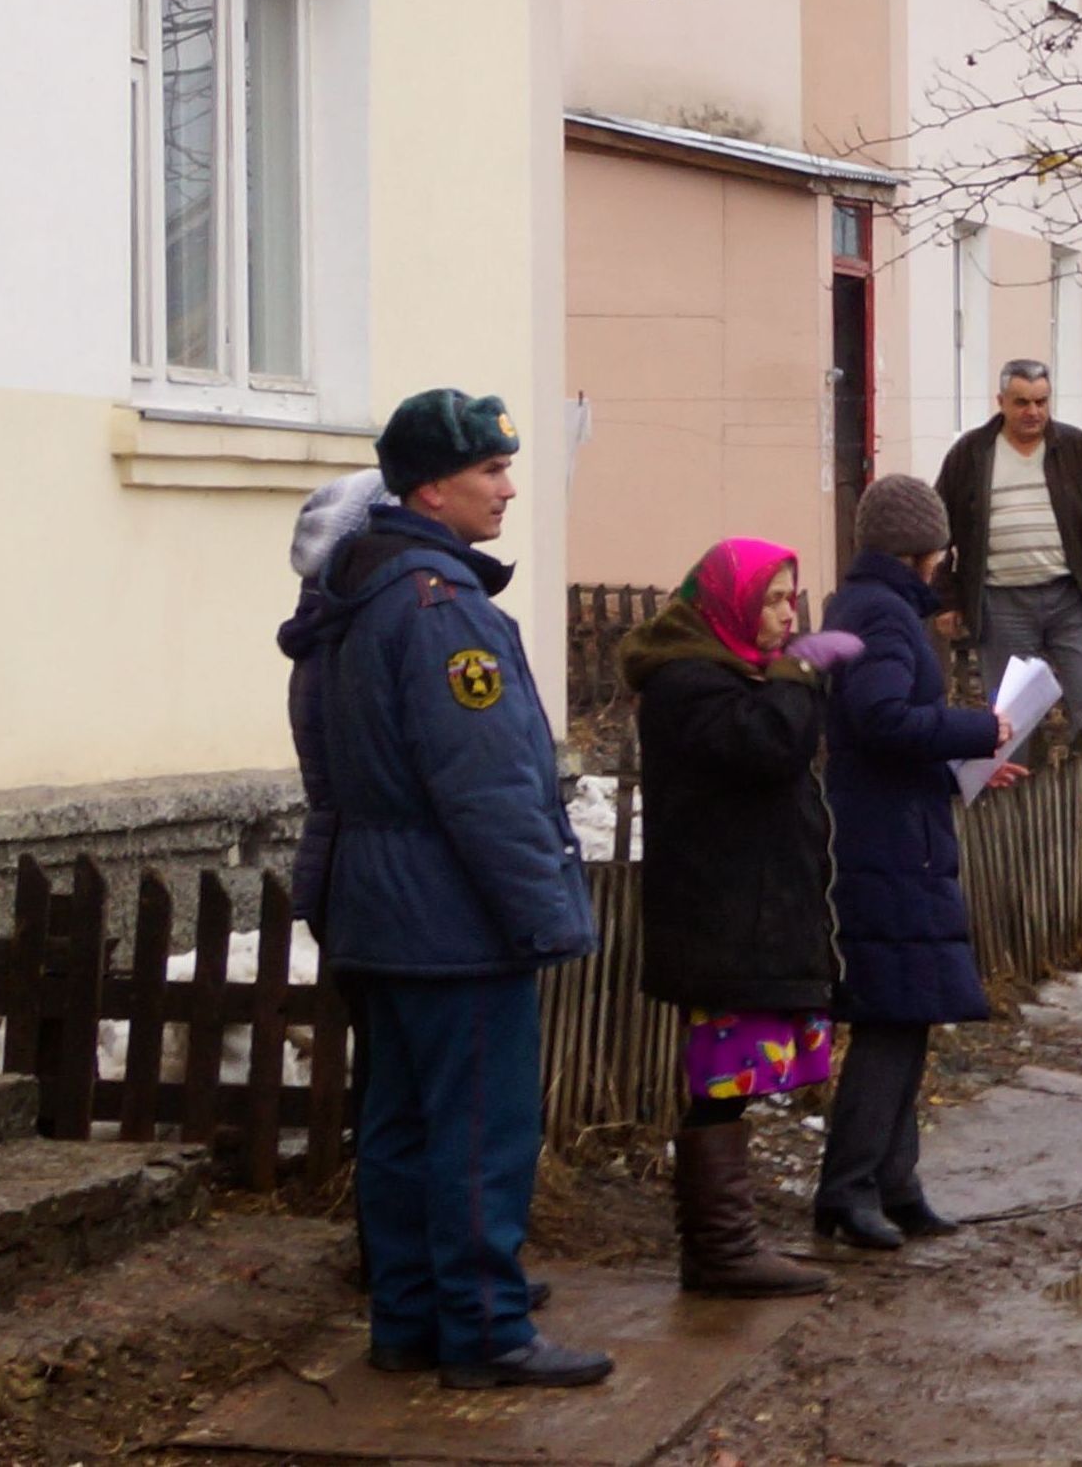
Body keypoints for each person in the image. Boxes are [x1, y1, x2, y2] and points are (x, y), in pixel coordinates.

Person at [311, 390, 608, 1389]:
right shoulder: (441, 612)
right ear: (431, 487)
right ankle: (485, 1329)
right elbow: (487, 787)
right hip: (452, 919)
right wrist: (547, 913)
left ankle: (406, 1320)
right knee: (480, 1129)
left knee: (397, 1125)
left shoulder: (347, 597)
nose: (510, 487)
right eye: (489, 471)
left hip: (379, 911)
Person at [622, 538, 866, 1298]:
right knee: (719, 1078)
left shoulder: (731, 675)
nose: (789, 613)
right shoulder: (690, 681)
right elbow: (770, 748)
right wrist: (796, 676)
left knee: (731, 1078)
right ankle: (720, 1250)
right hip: (720, 913)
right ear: (729, 604)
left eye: (793, 597)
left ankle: (726, 1244)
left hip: (744, 910)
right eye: (772, 598)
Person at [816, 475, 1027, 1249]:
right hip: (885, 844)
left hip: (899, 830)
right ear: (924, 547)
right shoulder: (882, 614)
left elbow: (883, 731)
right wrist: (980, 729)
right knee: (889, 1016)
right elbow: (877, 719)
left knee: (907, 1015)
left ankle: (895, 1184)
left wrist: (957, 768)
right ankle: (847, 1190)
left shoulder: (873, 608)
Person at [276, 466, 394, 1295]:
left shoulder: (326, 638)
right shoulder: (351, 643)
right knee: (396, 1087)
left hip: (348, 869)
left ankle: (396, 1258)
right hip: (373, 875)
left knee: (387, 1081)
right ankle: (397, 1262)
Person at [935, 361, 1082, 758]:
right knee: (1012, 716)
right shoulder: (971, 455)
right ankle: (1016, 809)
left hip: (1073, 599)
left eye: (1042, 402)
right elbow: (940, 530)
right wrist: (947, 600)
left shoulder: (1075, 450)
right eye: (1022, 402)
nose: (1033, 412)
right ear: (1001, 402)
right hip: (1001, 602)